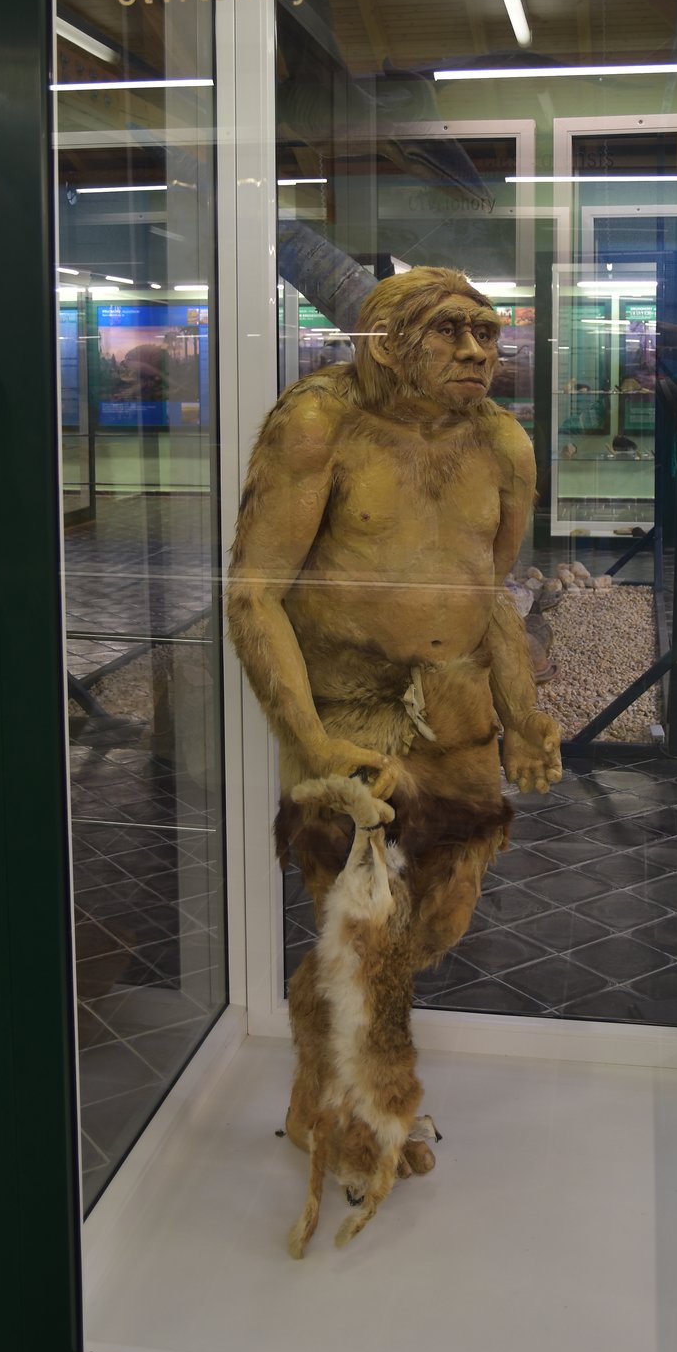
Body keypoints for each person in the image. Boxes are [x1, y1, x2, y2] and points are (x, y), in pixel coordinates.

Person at [228, 265, 560, 1165]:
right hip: (351, 708)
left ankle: (325, 1039)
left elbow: (488, 591)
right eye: (450, 330)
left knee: (442, 914)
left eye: (487, 333)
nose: (476, 352)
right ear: (386, 341)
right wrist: (312, 740)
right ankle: (354, 1114)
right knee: (368, 926)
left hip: (456, 706)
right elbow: (254, 593)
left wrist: (523, 714)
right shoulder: (318, 425)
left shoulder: (503, 442)